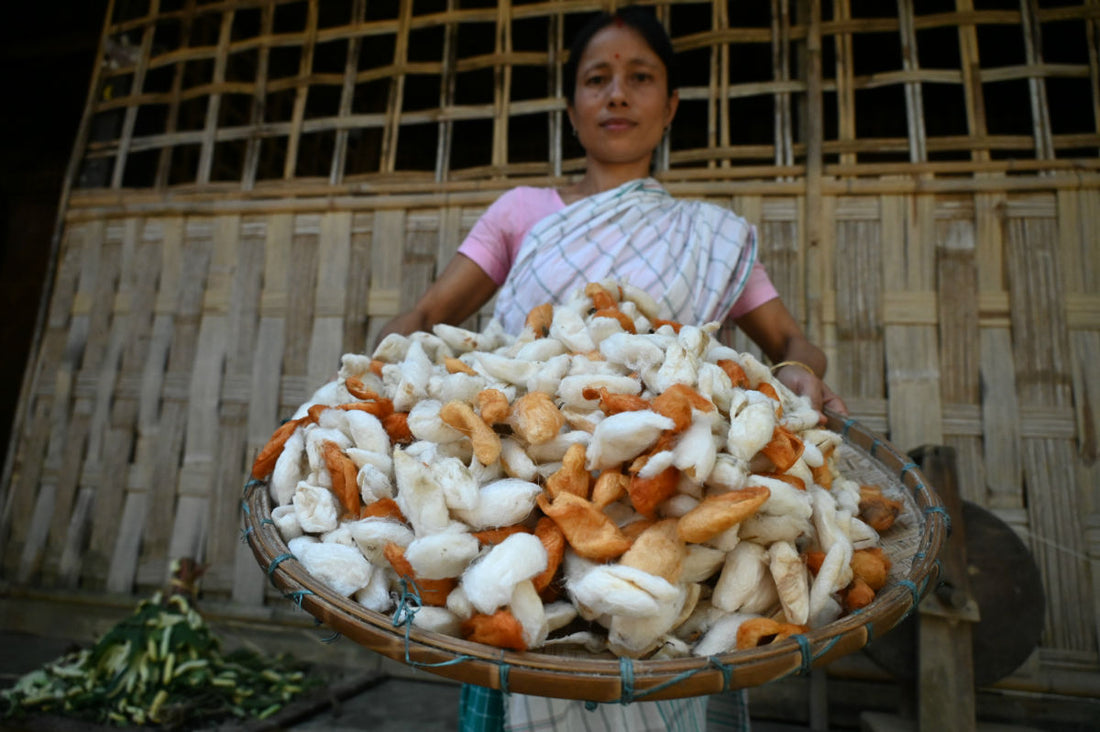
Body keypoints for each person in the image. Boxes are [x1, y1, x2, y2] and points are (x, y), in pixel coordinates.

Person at [379, 8, 848, 731]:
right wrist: (382, 369)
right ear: (573, 109)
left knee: (661, 624)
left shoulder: (711, 234)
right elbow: (431, 309)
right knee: (529, 627)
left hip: (666, 496)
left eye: (640, 78)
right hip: (526, 486)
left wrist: (796, 373)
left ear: (670, 108)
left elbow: (790, 341)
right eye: (597, 80)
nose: (617, 95)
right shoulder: (523, 213)